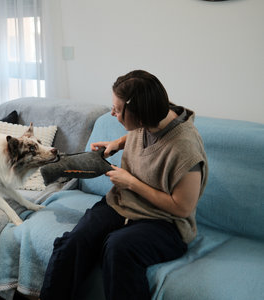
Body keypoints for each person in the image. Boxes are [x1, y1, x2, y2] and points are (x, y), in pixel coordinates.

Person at [39, 70, 208, 300]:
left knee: (118, 248)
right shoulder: (153, 116)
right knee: (72, 244)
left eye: (118, 110)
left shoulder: (186, 150)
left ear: (139, 117)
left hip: (166, 223)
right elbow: (147, 134)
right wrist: (118, 142)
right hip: (123, 203)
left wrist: (132, 183)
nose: (112, 114)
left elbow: (182, 208)